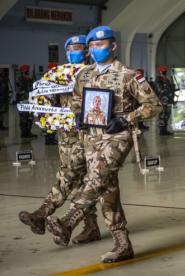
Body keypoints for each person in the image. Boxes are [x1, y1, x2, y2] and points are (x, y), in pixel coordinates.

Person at [45, 26, 162, 263]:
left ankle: (68, 221)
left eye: (101, 45)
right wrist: (79, 115)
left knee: (96, 178)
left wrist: (126, 119)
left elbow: (154, 105)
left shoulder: (129, 75)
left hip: (118, 137)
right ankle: (122, 244)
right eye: (92, 46)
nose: (96, 49)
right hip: (91, 138)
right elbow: (77, 101)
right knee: (107, 189)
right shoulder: (84, 74)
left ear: (113, 46)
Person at [19, 35, 102, 244]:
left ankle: (41, 214)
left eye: (80, 48)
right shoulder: (58, 74)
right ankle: (91, 227)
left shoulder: (97, 73)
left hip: (89, 133)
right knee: (78, 181)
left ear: (87, 51)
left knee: (69, 176)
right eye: (72, 48)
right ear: (67, 52)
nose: (76, 51)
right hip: (66, 135)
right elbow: (46, 99)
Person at [16, 64, 36, 138]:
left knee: (30, 117)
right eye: (25, 71)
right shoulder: (19, 79)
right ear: (22, 71)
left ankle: (28, 132)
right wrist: (26, 80)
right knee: (23, 118)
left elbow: (33, 88)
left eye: (27, 70)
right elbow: (20, 90)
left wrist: (30, 79)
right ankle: (24, 133)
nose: (27, 72)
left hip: (30, 101)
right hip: (23, 101)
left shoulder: (29, 79)